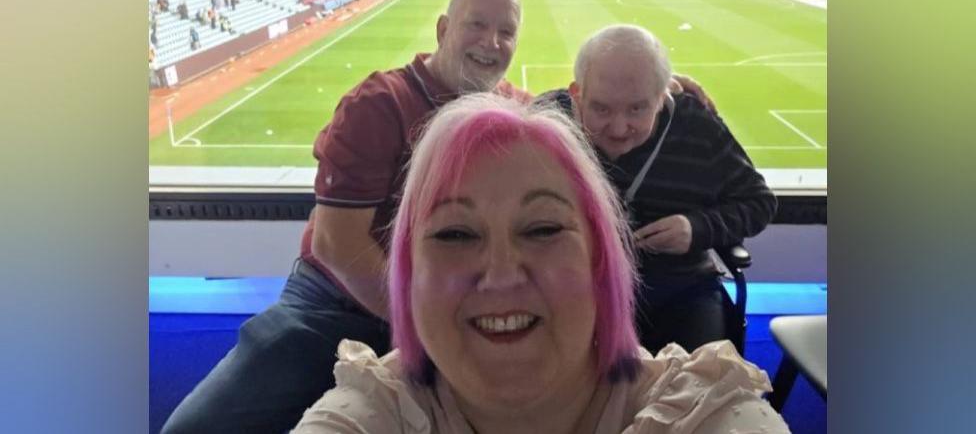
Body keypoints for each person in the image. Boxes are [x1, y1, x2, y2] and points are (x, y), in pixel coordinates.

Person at [163, 0, 714, 434]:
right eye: (477, 24)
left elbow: (575, 110)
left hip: (446, 306)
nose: (491, 42)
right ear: (444, 30)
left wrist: (663, 89)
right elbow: (338, 244)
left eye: (506, 32)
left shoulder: (511, 110)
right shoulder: (378, 104)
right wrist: (428, 323)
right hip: (334, 302)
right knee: (199, 427)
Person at [293, 93, 788, 433]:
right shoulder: (372, 409)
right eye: (455, 234)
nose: (502, 274)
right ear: (409, 275)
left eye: (544, 229)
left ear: (600, 261)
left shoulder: (707, 412)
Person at [539, 25, 777, 354]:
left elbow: (758, 202)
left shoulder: (697, 125)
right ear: (577, 93)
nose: (619, 129)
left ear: (663, 95)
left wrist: (695, 229)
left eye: (638, 108)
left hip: (680, 290)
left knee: (700, 384)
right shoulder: (548, 121)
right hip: (576, 287)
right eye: (601, 109)